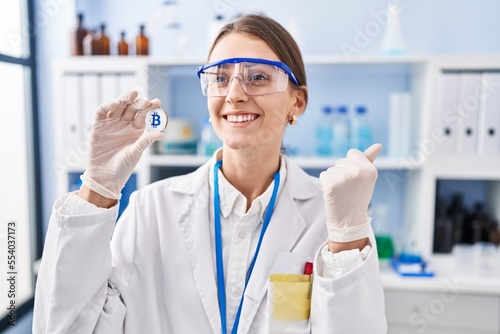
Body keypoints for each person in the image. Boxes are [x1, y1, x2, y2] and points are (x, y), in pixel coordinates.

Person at [34, 14, 387, 333]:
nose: (234, 95)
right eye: (220, 78)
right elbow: (66, 328)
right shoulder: (149, 212)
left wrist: (347, 239)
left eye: (258, 76)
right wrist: (97, 190)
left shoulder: (332, 218)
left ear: (297, 101)